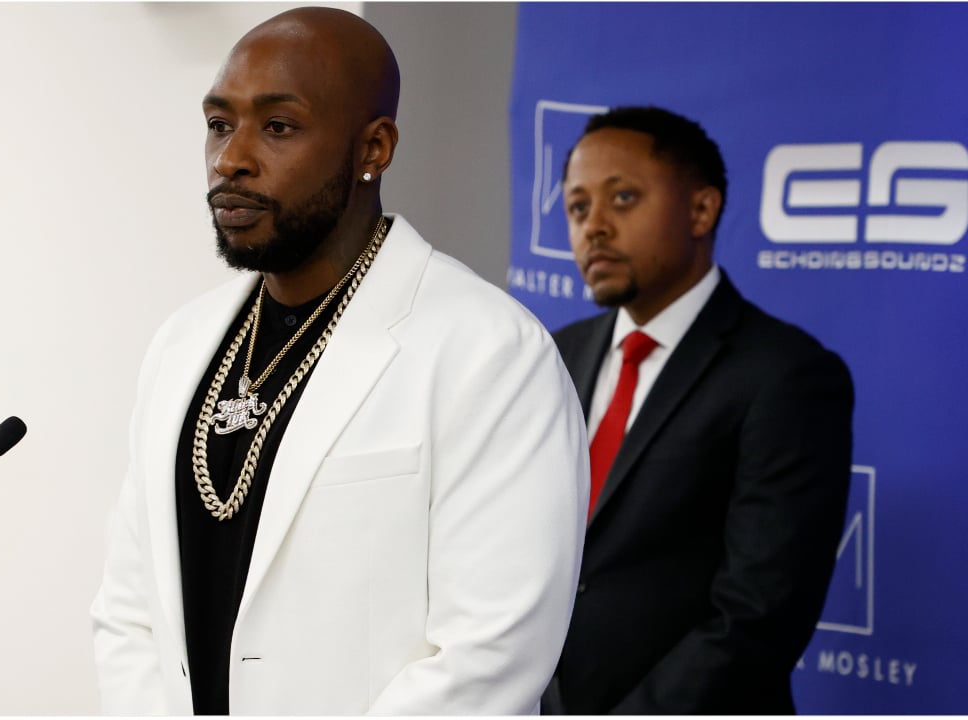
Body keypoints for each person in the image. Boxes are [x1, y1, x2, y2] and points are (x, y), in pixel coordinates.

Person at [90, 7, 588, 715]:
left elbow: (488, 655)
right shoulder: (180, 344)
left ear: (374, 149)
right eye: (219, 123)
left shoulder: (491, 354)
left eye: (278, 126)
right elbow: (129, 612)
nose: (231, 158)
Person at [543, 106, 854, 714]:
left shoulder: (785, 374)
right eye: (578, 207)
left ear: (702, 209)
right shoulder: (556, 353)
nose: (594, 227)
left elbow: (758, 615)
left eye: (623, 197)